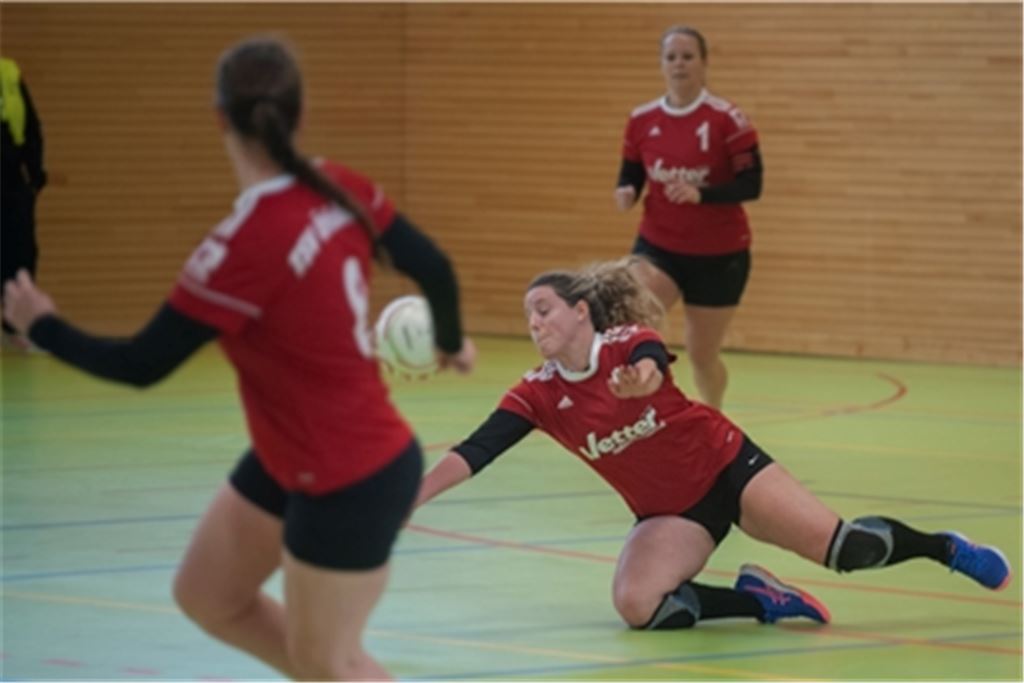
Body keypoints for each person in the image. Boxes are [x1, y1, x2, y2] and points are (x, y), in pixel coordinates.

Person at [3, 37, 476, 680]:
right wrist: (450, 343)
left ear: (219, 117)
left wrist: (41, 325)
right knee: (208, 596)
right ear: (299, 116)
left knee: (327, 663)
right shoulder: (341, 186)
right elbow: (433, 266)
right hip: (293, 456)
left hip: (349, 475)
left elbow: (141, 364)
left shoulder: (239, 249)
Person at [414, 258, 1011, 633]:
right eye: (526, 317)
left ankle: (945, 549)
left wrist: (637, 384)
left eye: (542, 310)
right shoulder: (538, 393)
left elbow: (649, 367)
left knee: (847, 550)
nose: (534, 323)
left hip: (728, 468)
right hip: (672, 513)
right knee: (639, 606)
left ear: (579, 312)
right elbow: (476, 450)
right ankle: (761, 601)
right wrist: (411, 497)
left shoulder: (626, 343)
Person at [613, 26, 762, 409]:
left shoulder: (728, 120)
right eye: (671, 57)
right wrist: (627, 190)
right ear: (662, 65)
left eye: (687, 56)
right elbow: (631, 170)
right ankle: (643, 405)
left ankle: (712, 412)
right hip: (659, 243)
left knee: (701, 354)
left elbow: (752, 184)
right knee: (633, 318)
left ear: (704, 63)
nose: (679, 64)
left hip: (719, 254)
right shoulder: (642, 119)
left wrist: (702, 194)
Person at [1, 56, 47, 351]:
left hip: (11, 179)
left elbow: (31, 126)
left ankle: (17, 327)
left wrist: (34, 172)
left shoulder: (9, 71)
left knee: (21, 252)